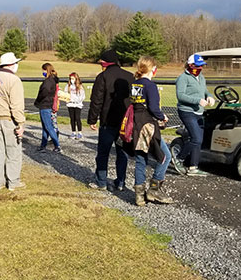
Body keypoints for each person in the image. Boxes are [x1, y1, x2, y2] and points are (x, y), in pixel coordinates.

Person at [87, 49, 134, 192]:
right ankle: (121, 182)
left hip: (108, 121)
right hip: (125, 122)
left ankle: (101, 181)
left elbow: (96, 100)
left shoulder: (102, 77)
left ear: (105, 63)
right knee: (122, 152)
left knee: (103, 152)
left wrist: (92, 119)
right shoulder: (130, 76)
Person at [129, 56, 173, 206]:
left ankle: (139, 196)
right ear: (152, 69)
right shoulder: (150, 86)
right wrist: (163, 116)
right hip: (148, 126)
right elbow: (154, 108)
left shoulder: (135, 84)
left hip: (136, 124)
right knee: (165, 156)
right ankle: (154, 190)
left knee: (141, 160)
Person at [0, 52, 26, 191]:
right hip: (9, 120)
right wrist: (20, 123)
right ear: (12, 64)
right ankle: (13, 182)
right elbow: (16, 104)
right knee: (13, 152)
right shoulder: (14, 80)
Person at [173, 54, 215, 176]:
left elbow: (204, 91)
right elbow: (180, 96)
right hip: (187, 111)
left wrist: (210, 96)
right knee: (196, 139)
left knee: (198, 140)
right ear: (191, 65)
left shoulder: (201, 77)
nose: (200, 68)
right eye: (198, 66)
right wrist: (197, 100)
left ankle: (193, 167)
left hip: (199, 111)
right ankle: (179, 159)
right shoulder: (183, 78)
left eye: (202, 66)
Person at [34, 63, 61, 153]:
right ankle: (43, 145)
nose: (42, 72)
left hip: (45, 105)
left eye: (43, 70)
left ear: (47, 70)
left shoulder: (48, 82)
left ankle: (57, 145)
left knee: (48, 126)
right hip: (47, 104)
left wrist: (38, 101)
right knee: (45, 127)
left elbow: (44, 93)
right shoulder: (53, 80)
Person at [66, 72, 85, 139]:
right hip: (70, 104)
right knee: (72, 119)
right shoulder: (68, 86)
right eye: (71, 79)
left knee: (77, 118)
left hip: (77, 105)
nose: (72, 80)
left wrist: (76, 100)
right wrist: (68, 99)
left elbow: (82, 96)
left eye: (73, 79)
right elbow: (66, 94)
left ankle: (79, 132)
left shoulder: (80, 86)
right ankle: (73, 132)